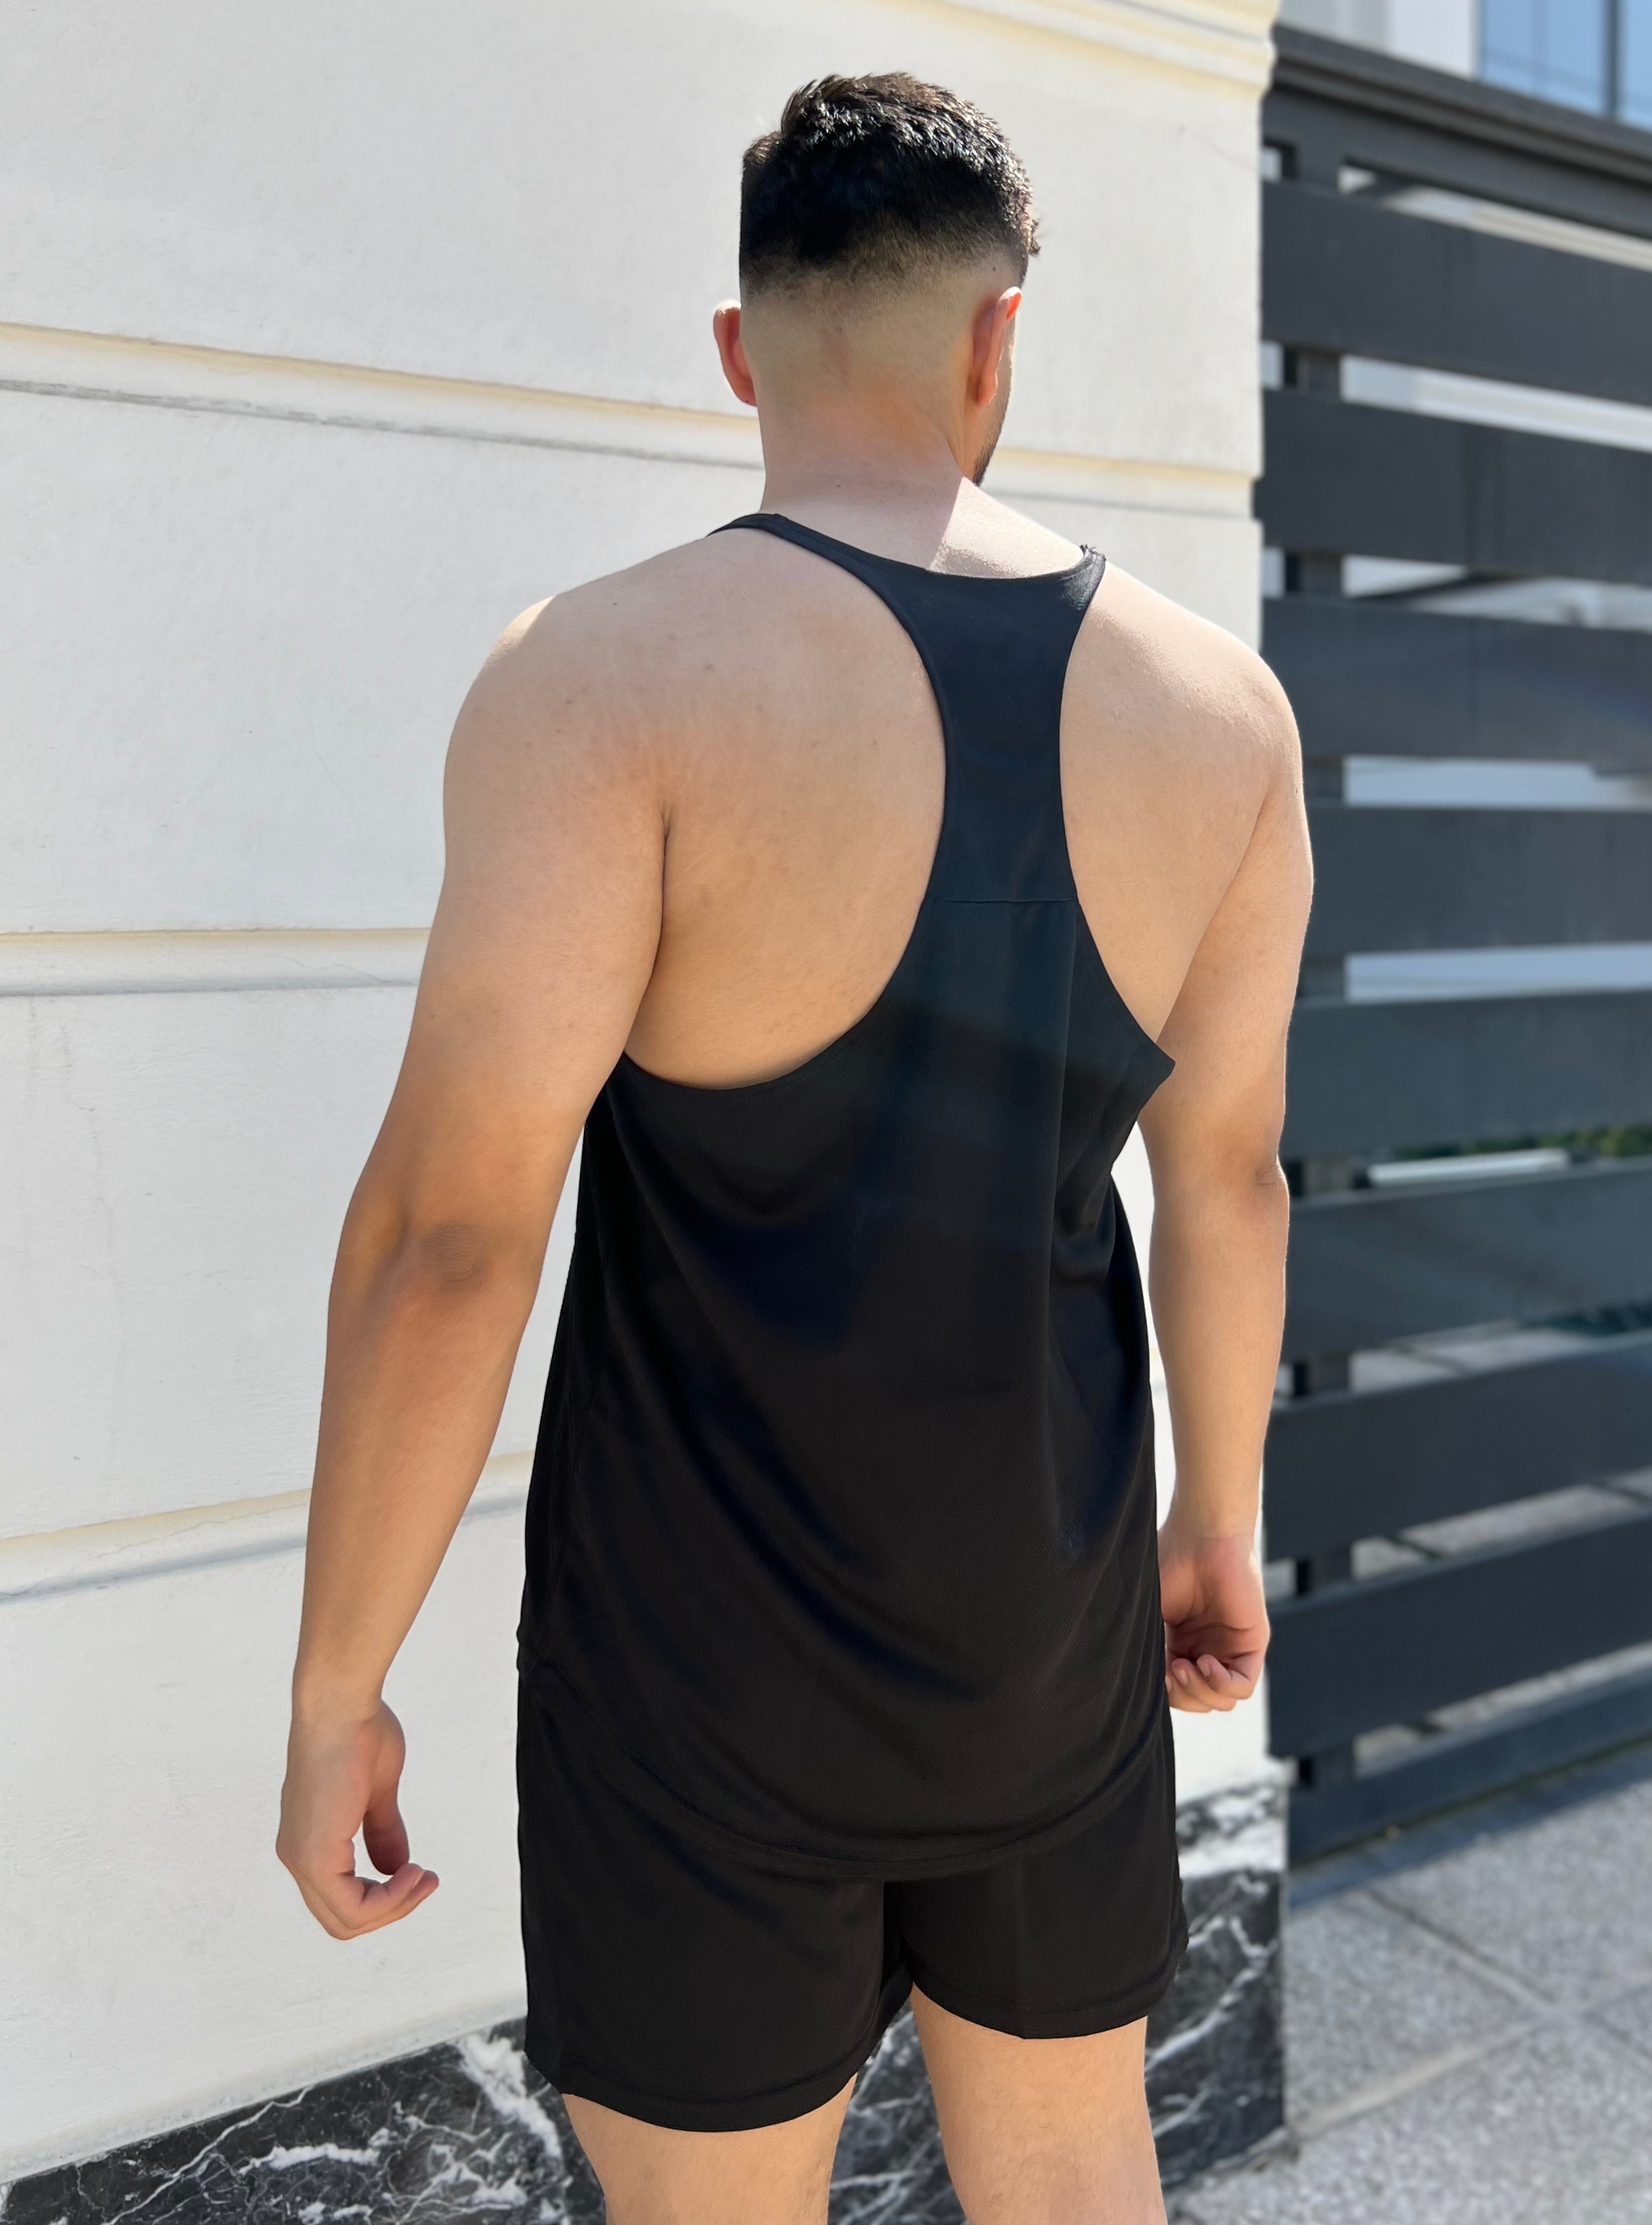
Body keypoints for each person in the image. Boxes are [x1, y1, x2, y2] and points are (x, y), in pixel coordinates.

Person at [278, 71, 1309, 2225]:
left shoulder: (605, 682)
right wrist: (1215, 1524)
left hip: (696, 1684)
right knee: (1074, 2176)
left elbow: (454, 1237)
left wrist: (337, 1688)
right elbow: (1226, 1179)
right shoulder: (1223, 716)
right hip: (1045, 1645)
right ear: (995, 343)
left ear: (742, 353)